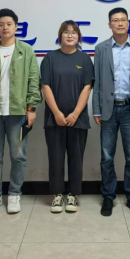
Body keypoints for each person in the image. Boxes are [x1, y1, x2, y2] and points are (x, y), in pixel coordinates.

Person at [0, 9, 42, 215]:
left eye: (9, 24)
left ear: (16, 26)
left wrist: (31, 108)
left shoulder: (26, 50)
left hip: (18, 113)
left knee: (18, 156)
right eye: (1, 24)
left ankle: (14, 194)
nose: (5, 27)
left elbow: (33, 81)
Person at [93, 8, 130, 218]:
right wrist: (96, 109)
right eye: (115, 20)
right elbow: (97, 82)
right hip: (108, 109)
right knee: (106, 157)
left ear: (128, 23)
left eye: (123, 20)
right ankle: (108, 197)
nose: (119, 23)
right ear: (109, 25)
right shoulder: (101, 48)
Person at [41, 21, 94, 213]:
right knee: (55, 157)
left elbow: (87, 87)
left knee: (76, 158)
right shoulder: (50, 58)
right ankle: (57, 194)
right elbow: (45, 86)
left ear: (78, 37)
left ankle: (73, 194)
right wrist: (56, 113)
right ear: (60, 36)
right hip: (54, 118)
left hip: (77, 119)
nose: (70, 35)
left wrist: (75, 114)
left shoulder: (85, 59)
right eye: (65, 32)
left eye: (74, 32)